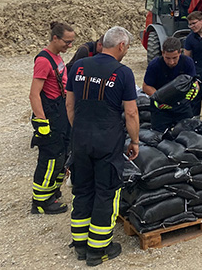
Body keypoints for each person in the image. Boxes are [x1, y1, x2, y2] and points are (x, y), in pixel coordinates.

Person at [66, 26, 139, 265]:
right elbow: (131, 112)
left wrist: (80, 129)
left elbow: (69, 105)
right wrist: (135, 141)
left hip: (80, 139)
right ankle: (98, 249)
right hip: (107, 141)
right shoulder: (123, 73)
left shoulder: (78, 66)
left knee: (82, 189)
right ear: (120, 46)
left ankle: (79, 243)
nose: (126, 51)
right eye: (127, 47)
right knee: (105, 192)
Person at [29, 21, 75, 215]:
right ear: (55, 38)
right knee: (49, 158)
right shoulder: (43, 61)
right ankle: (41, 202)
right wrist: (41, 122)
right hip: (51, 115)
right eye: (67, 41)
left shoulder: (56, 57)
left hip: (61, 112)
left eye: (72, 42)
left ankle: (53, 192)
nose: (70, 46)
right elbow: (34, 94)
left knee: (62, 156)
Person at [142, 37, 198, 131]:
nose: (171, 62)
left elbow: (194, 83)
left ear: (180, 52)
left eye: (175, 58)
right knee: (159, 137)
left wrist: (194, 91)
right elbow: (146, 86)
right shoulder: (154, 65)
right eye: (167, 58)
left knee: (188, 133)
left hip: (182, 106)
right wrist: (160, 99)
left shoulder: (187, 62)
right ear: (162, 53)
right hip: (161, 109)